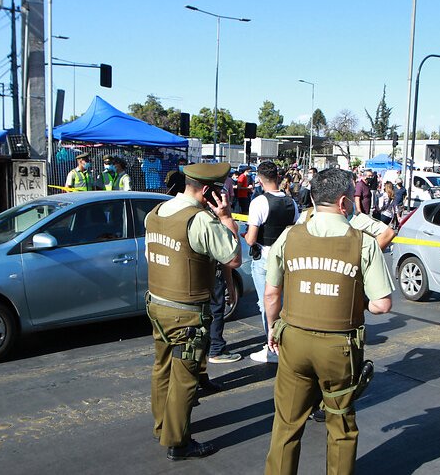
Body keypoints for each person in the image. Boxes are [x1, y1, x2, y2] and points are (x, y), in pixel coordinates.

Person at [263, 168, 394, 475]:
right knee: (341, 425)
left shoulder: (289, 235)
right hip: (339, 347)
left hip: (293, 339)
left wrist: (272, 329)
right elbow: (382, 304)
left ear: (312, 198)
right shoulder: (363, 242)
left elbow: (271, 294)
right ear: (345, 203)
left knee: (286, 425)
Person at [144, 162, 241, 460]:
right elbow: (233, 257)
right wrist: (225, 217)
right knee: (185, 377)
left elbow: (152, 255)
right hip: (186, 312)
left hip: (158, 304)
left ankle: (162, 425)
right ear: (208, 191)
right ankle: (178, 442)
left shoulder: (156, 213)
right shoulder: (199, 220)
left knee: (162, 368)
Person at [246, 162, 299, 364]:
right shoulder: (291, 202)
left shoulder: (259, 202)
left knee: (266, 304)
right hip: (285, 257)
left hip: (265, 258)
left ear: (260, 179)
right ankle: (283, 343)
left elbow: (251, 239)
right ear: (277, 177)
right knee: (282, 304)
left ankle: (271, 347)